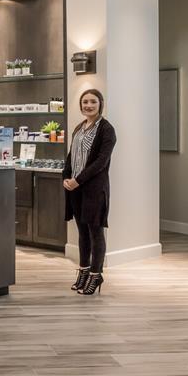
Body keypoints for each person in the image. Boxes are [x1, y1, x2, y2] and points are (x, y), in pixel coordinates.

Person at [63, 88, 116, 296]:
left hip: (94, 189)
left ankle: (96, 274)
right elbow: (71, 156)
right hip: (74, 189)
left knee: (96, 232)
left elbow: (101, 162)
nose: (88, 105)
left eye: (93, 102)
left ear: (100, 103)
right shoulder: (79, 128)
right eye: (85, 102)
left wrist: (78, 180)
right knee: (82, 232)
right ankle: (83, 271)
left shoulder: (107, 129)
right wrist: (66, 177)